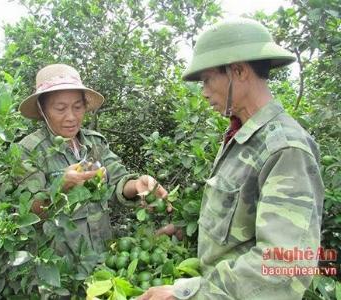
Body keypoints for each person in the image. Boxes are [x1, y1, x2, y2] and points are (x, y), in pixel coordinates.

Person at [139, 18, 324, 300]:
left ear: (238, 71)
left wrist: (187, 294)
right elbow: (239, 224)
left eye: (208, 79)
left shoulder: (285, 149)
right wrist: (185, 232)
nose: (203, 91)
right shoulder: (242, 137)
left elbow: (284, 265)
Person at [17, 63, 167, 256]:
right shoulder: (29, 150)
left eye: (77, 107)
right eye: (60, 108)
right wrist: (61, 186)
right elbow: (29, 213)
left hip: (101, 259)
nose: (71, 117)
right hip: (59, 270)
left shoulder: (95, 143)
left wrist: (137, 184)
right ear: (42, 109)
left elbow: (117, 181)